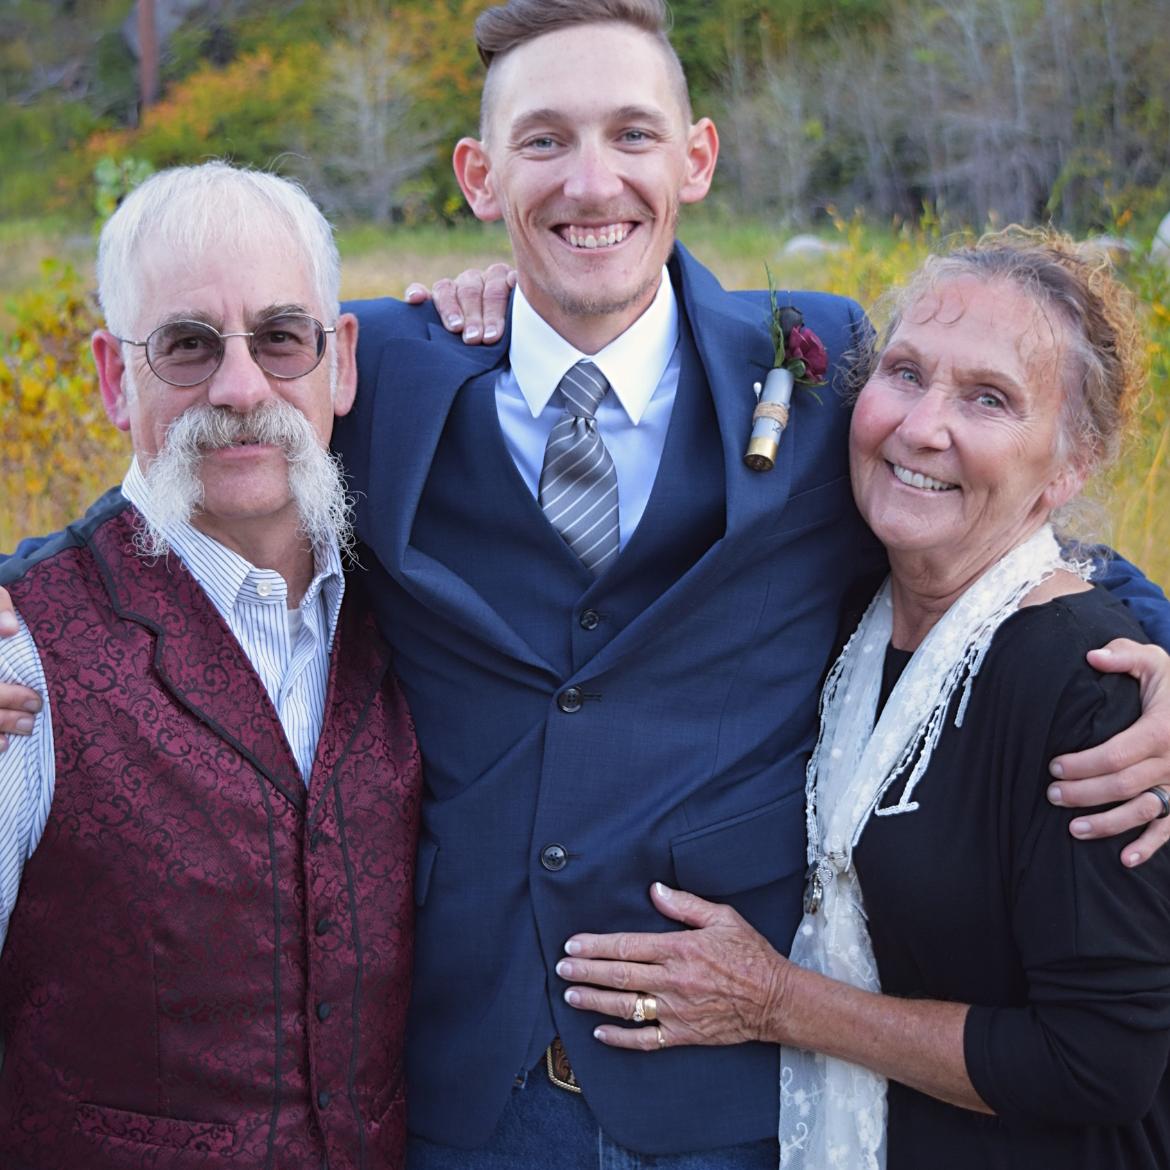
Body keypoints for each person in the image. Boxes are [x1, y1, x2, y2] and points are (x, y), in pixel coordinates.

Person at [3, 3, 1170, 1167]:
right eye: (545, 141)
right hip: (464, 1096)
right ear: (480, 175)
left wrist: (1153, 655)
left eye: (632, 134)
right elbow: (182, 452)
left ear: (697, 157)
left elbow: (993, 524)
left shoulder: (822, 369)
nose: (591, 181)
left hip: (733, 1101)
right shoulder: (368, 370)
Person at [555, 229, 1170, 1168]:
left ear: (1070, 465)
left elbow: (1098, 1062)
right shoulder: (850, 606)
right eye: (906, 372)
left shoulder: (1091, 694)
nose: (924, 427)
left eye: (989, 399)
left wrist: (777, 1001)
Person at [0, 163, 421, 1170]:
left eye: (280, 337)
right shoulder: (25, 656)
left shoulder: (406, 607)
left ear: (340, 360)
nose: (240, 388)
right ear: (114, 378)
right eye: (188, 346)